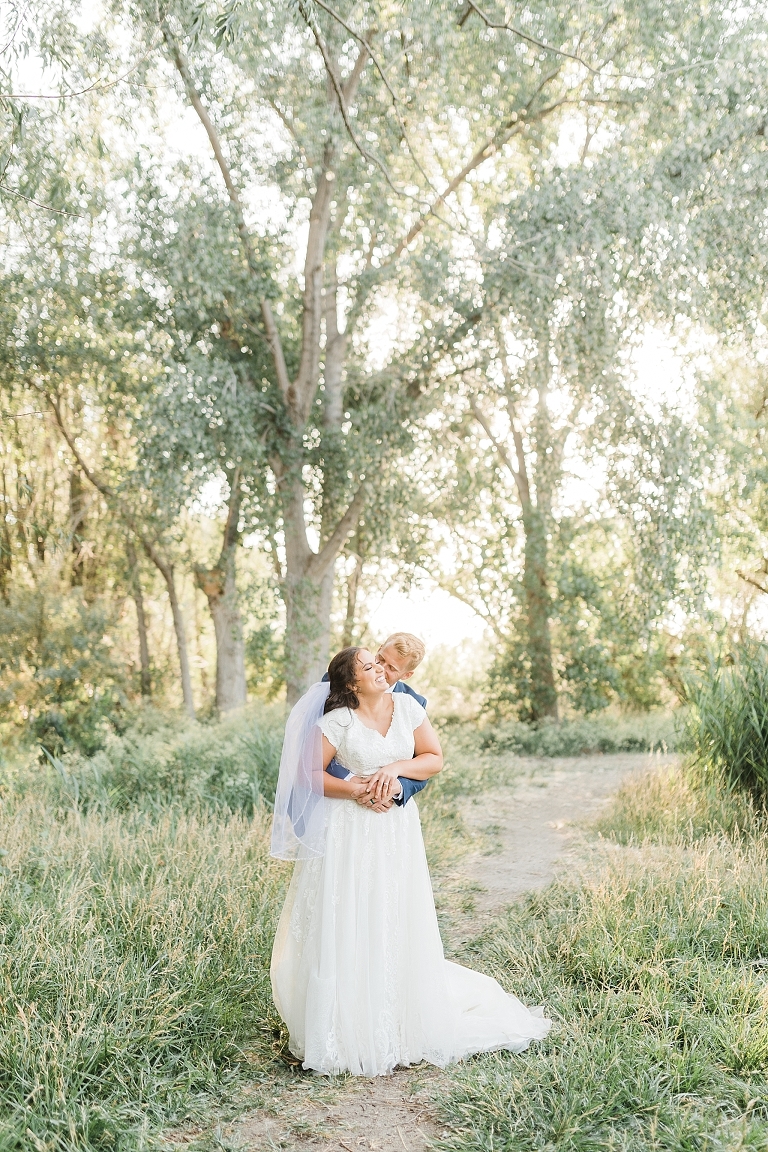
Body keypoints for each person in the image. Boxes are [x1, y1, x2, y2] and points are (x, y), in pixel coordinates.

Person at [270, 646, 550, 1076]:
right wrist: (357, 790)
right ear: (350, 684)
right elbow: (309, 774)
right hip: (350, 830)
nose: (380, 670)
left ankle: (400, 1015)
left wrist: (395, 769)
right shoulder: (337, 721)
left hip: (396, 833)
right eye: (369, 666)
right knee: (351, 915)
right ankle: (346, 1025)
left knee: (395, 911)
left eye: (379, 664)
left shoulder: (408, 708)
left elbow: (433, 759)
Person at [324, 632, 429, 808]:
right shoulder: (339, 680)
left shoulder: (414, 703)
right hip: (339, 799)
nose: (380, 667)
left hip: (388, 808)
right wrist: (353, 784)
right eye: (380, 658)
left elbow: (424, 762)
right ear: (379, 649)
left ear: (406, 675)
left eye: (392, 668)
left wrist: (397, 787)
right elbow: (314, 745)